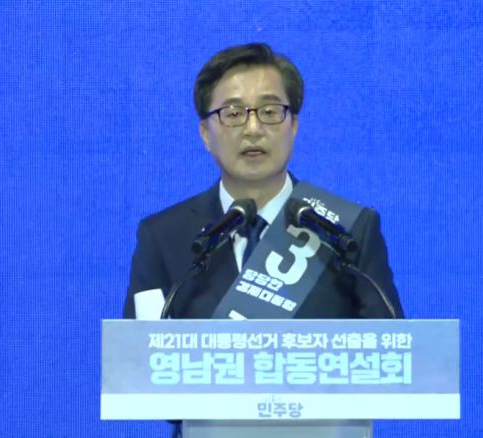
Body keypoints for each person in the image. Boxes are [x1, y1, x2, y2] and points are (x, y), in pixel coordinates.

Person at [124, 42, 404, 320]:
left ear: (293, 125)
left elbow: (390, 344)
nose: (253, 129)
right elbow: (136, 348)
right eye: (233, 114)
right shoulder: (163, 237)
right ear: (205, 134)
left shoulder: (346, 231)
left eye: (269, 112)